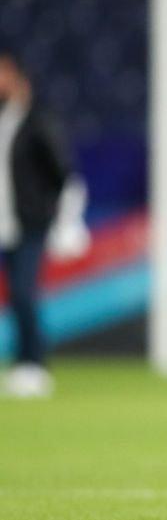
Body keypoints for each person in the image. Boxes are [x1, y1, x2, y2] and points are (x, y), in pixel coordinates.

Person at [0, 53, 74, 398]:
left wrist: (59, 214)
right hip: (5, 222)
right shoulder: (3, 121)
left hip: (30, 222)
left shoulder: (37, 122)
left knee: (24, 291)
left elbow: (61, 172)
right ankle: (22, 364)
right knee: (15, 296)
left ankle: (35, 364)